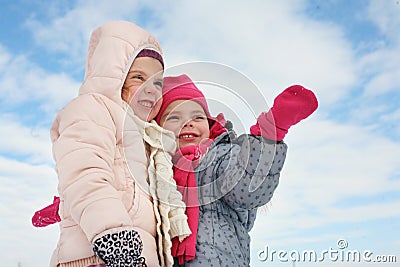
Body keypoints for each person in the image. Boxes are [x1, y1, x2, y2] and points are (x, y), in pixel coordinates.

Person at [36, 21, 191, 267]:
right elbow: (85, 175)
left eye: (157, 83)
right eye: (139, 77)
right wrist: (117, 242)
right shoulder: (93, 109)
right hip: (99, 254)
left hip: (138, 256)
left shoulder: (149, 138)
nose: (151, 90)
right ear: (114, 75)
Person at [154, 74, 318, 266]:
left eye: (197, 116)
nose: (188, 122)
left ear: (209, 124)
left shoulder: (220, 156)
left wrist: (268, 135)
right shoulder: (155, 169)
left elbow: (247, 187)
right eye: (174, 117)